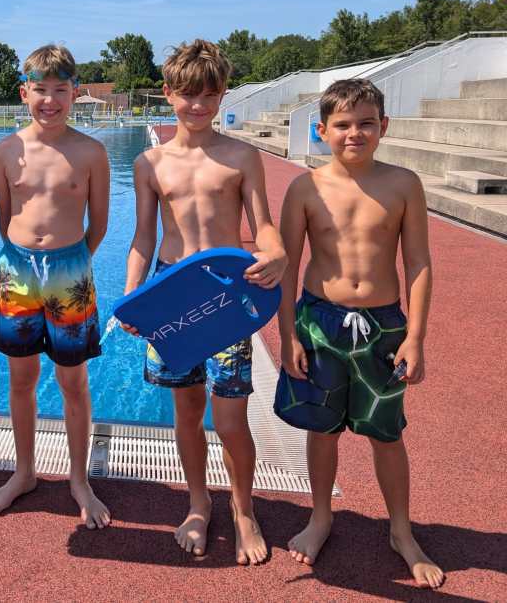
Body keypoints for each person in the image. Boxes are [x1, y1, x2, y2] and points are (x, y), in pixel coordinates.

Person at [123, 39, 286, 564]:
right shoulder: (150, 162)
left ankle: (244, 510)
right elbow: (143, 238)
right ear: (169, 93)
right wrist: (132, 296)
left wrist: (277, 254)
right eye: (188, 94)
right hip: (171, 293)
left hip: (225, 296)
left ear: (222, 96)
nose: (197, 105)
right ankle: (198, 503)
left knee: (232, 419)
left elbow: (264, 227)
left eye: (209, 95)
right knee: (187, 411)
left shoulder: (241, 156)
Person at [277, 79, 444, 588]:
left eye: (366, 123)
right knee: (321, 430)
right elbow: (288, 268)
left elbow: (418, 262)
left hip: (382, 326)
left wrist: (416, 337)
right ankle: (320, 517)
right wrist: (288, 337)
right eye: (343, 124)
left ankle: (401, 530)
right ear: (322, 130)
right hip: (319, 322)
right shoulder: (305, 188)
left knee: (386, 433)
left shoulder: (403, 184)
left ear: (383, 126)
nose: (355, 133)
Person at [0, 45, 111, 529]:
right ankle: (24, 472)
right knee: (21, 380)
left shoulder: (91, 152)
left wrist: (69, 262)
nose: (50, 100)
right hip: (17, 270)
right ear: (24, 93)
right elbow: (5, 218)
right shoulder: (6, 150)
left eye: (60, 89)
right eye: (40, 89)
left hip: (70, 272)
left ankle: (79, 479)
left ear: (75, 93)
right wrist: (26, 257)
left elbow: (99, 224)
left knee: (72, 381)